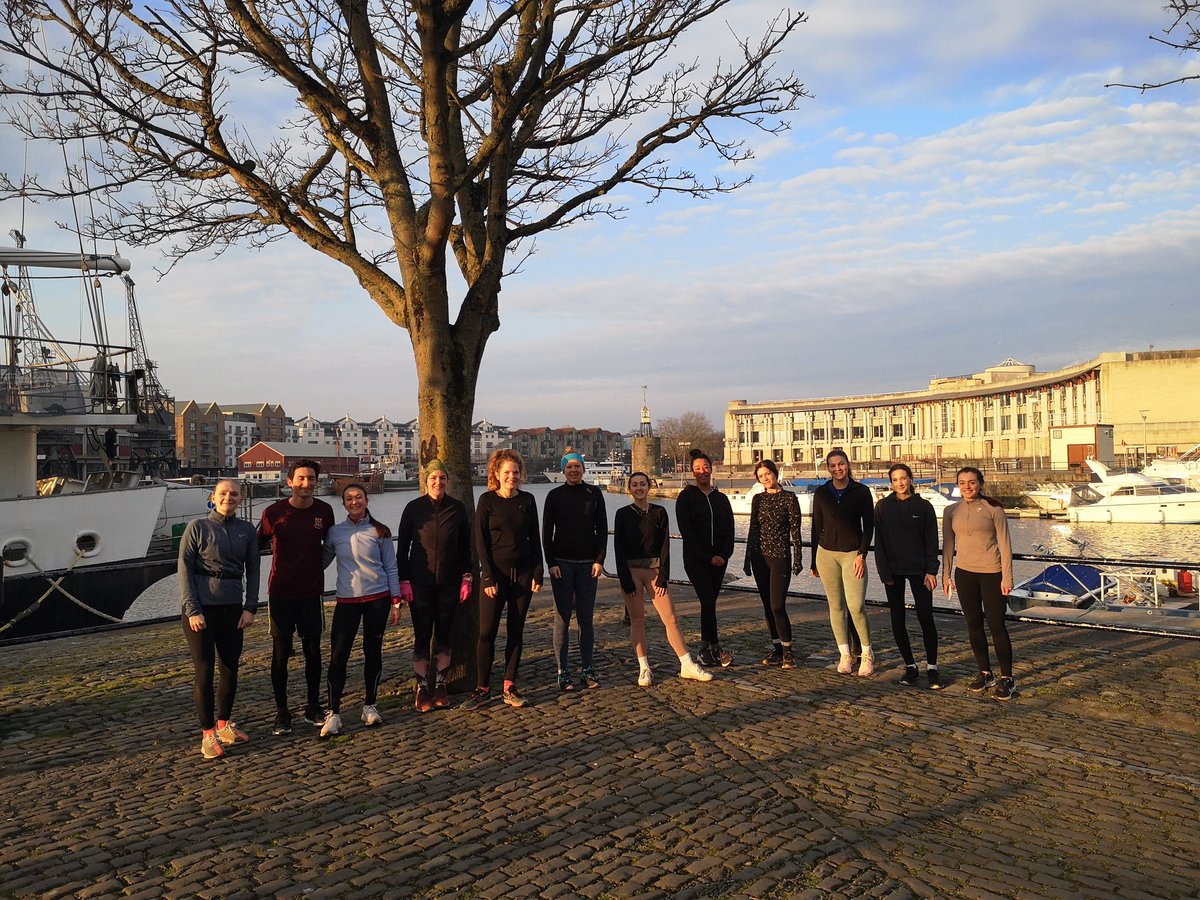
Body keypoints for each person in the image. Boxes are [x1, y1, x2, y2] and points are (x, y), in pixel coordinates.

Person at [178, 479, 259, 760]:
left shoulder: (246, 530)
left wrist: (250, 607)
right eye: (223, 493)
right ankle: (207, 733)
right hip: (202, 608)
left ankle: (224, 725)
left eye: (234, 494)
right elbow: (184, 570)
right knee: (204, 670)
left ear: (240, 498)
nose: (229, 498)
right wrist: (192, 609)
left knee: (230, 668)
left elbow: (254, 570)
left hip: (232, 608)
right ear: (213, 497)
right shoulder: (197, 528)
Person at [257, 459, 335, 735]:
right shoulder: (273, 512)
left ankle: (313, 706)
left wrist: (316, 567)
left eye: (311, 479)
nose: (306, 484)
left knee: (313, 652)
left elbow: (332, 545)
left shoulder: (325, 512)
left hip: (311, 593)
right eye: (301, 479)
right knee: (280, 655)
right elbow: (254, 546)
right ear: (289, 482)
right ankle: (282, 712)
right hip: (280, 592)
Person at [462, 449, 543, 711]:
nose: (511, 476)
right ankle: (482, 687)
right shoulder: (487, 500)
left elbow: (535, 538)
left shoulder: (528, 500)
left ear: (521, 474)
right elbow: (480, 542)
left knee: (516, 631)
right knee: (487, 632)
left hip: (522, 574)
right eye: (506, 472)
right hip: (495, 575)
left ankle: (509, 685)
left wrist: (537, 570)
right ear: (497, 474)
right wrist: (487, 576)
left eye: (515, 472)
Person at [614, 472, 712, 685]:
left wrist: (663, 576)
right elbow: (618, 548)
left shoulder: (659, 512)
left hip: (655, 569)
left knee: (671, 618)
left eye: (642, 484)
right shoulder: (622, 514)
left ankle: (686, 664)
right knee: (637, 620)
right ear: (629, 488)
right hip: (631, 570)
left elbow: (665, 545)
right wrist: (625, 579)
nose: (639, 488)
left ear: (649, 487)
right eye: (635, 485)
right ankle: (644, 668)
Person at [320, 484, 402, 735]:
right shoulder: (335, 533)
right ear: (343, 504)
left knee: (373, 651)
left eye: (358, 497)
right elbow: (321, 562)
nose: (354, 502)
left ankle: (370, 705)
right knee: (338, 656)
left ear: (367, 500)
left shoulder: (380, 531)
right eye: (349, 499)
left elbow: (391, 566)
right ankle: (334, 712)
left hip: (377, 599)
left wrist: (396, 600)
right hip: (347, 600)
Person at [396, 459, 472, 712]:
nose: (438, 482)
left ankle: (440, 685)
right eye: (433, 479)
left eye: (442, 478)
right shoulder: (413, 508)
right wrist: (403, 580)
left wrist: (467, 577)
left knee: (444, 635)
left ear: (447, 481)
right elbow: (403, 547)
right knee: (422, 635)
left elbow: (465, 547)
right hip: (420, 582)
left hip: (450, 582)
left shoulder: (457, 508)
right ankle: (421, 688)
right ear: (426, 481)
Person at [943, 466, 1016, 700]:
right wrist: (946, 574)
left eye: (971, 482)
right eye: (962, 482)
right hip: (964, 574)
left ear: (980, 484)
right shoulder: (950, 510)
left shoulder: (993, 509)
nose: (967, 486)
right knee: (973, 624)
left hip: (992, 573)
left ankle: (1007, 678)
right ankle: (985, 673)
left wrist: (1007, 577)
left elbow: (1005, 545)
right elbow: (948, 546)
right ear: (957, 485)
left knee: (996, 625)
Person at [542, 449, 608, 691]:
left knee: (586, 618)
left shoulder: (594, 493)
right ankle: (563, 670)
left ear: (583, 469)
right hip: (562, 564)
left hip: (587, 564)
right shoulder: (554, 496)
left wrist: (599, 559)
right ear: (563, 470)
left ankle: (587, 668)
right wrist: (551, 563)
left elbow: (602, 529)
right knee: (562, 618)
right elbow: (546, 532)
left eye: (577, 467)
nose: (573, 471)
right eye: (569, 467)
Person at [874, 463, 942, 689]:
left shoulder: (924, 507)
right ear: (890, 483)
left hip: (920, 571)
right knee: (898, 618)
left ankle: (932, 668)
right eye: (895, 480)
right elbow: (880, 542)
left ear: (911, 479)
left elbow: (932, 541)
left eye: (903, 478)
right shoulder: (883, 507)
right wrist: (883, 571)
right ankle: (910, 666)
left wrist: (932, 570)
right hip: (893, 571)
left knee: (926, 618)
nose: (900, 483)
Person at [810, 449, 876, 676]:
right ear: (827, 468)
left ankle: (867, 653)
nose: (837, 469)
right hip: (826, 554)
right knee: (835, 606)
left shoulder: (861, 491)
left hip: (852, 555)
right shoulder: (821, 493)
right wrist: (813, 562)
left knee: (856, 606)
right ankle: (845, 654)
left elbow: (869, 526)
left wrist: (862, 554)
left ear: (847, 465)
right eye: (832, 465)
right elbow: (815, 527)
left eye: (841, 464)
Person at [675, 448, 735, 667]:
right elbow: (687, 531)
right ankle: (714, 647)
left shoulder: (721, 499)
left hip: (719, 560)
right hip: (697, 560)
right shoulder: (686, 497)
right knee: (707, 600)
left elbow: (730, 528)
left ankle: (705, 649)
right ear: (692, 472)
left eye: (705, 468)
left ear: (711, 469)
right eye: (698, 468)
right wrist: (707, 556)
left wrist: (723, 554)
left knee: (709, 603)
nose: (702, 472)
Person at [743, 459, 803, 669]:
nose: (766, 478)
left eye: (768, 474)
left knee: (778, 605)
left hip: (779, 556)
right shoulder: (757, 499)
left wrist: (798, 558)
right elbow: (752, 529)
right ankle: (777, 649)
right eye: (761, 476)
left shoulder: (789, 498)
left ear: (775, 474)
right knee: (768, 606)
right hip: (760, 556)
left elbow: (795, 530)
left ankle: (788, 650)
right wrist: (747, 558)